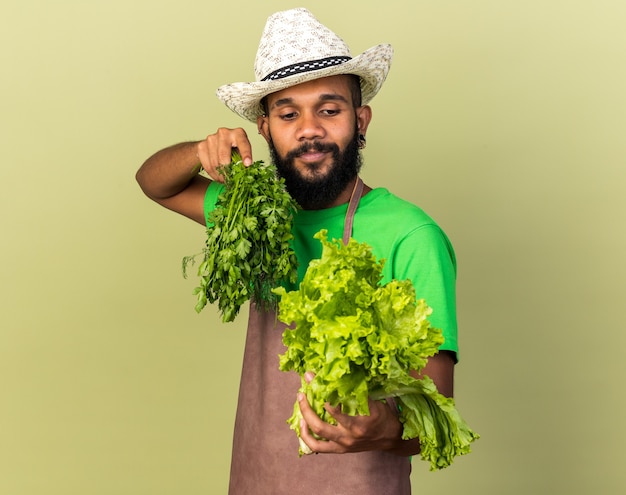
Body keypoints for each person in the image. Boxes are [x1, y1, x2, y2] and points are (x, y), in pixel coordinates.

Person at [136, 8, 458, 495]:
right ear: (265, 129)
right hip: (255, 477)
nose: (309, 129)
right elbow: (155, 182)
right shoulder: (257, 215)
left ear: (361, 119)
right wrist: (199, 151)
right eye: (288, 114)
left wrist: (384, 429)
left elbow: (434, 415)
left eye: (329, 110)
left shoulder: (411, 236)